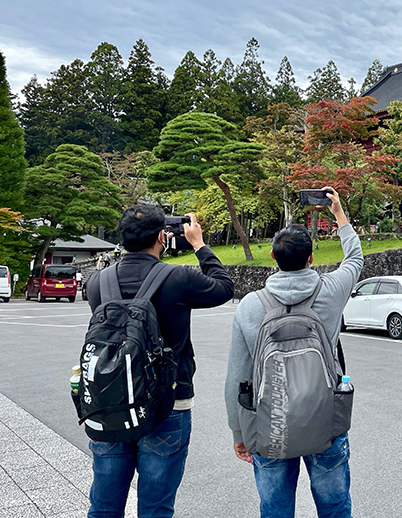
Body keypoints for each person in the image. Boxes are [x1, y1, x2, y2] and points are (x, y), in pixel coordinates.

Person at [84, 205, 234, 518]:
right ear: (162, 237)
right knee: (155, 509)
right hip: (168, 403)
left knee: (103, 508)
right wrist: (199, 245)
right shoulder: (177, 278)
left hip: (110, 402)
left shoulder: (98, 282)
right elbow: (224, 288)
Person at [225, 187, 363, 518]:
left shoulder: (250, 306)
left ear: (272, 258)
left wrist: (239, 432)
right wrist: (339, 214)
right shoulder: (331, 290)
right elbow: (355, 257)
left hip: (268, 426)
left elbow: (238, 376)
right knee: (334, 507)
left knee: (275, 509)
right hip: (326, 422)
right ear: (311, 258)